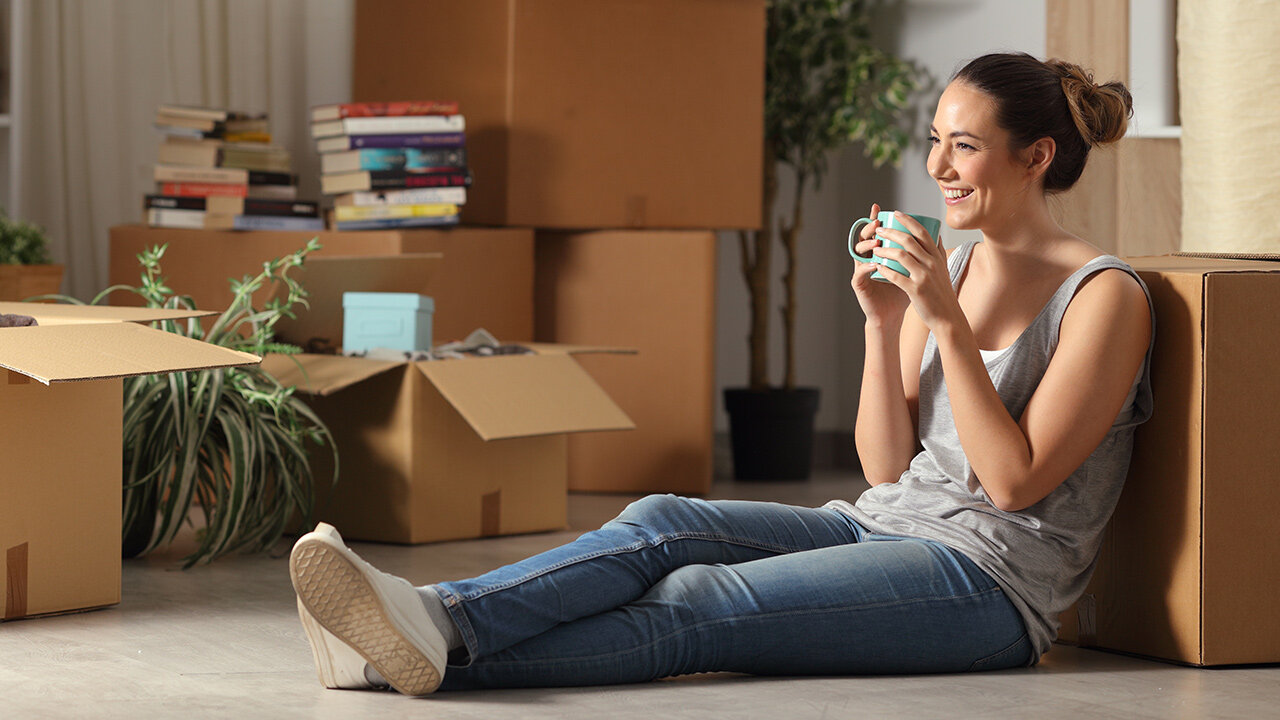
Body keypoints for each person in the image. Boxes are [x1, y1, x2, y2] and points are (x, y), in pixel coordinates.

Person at [288, 52, 1154, 695]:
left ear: (1036, 157)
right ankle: (432, 618)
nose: (936, 169)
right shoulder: (954, 271)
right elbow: (886, 469)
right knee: (665, 521)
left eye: (964, 147)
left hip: (989, 585)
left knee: (701, 601)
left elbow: (1011, 484)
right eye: (934, 142)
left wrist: (945, 325)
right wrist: (882, 322)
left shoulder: (1102, 297)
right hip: (884, 526)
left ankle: (401, 656)